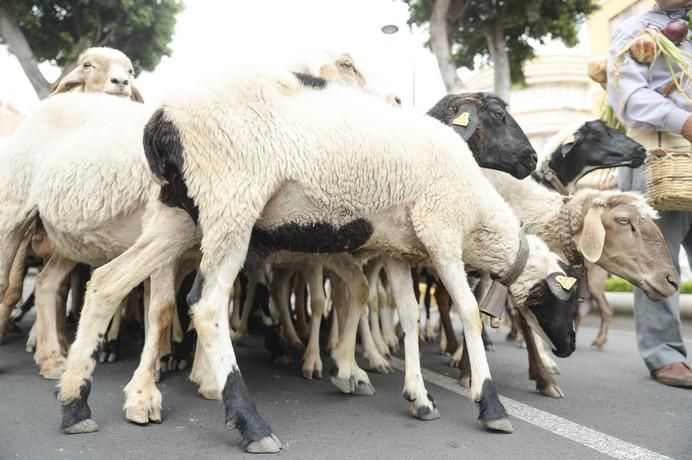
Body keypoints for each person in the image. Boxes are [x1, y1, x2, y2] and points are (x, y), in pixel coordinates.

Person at [607, 0, 692, 388]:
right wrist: (684, 121)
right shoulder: (633, 29)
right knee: (659, 260)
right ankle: (664, 354)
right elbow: (629, 98)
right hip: (659, 160)